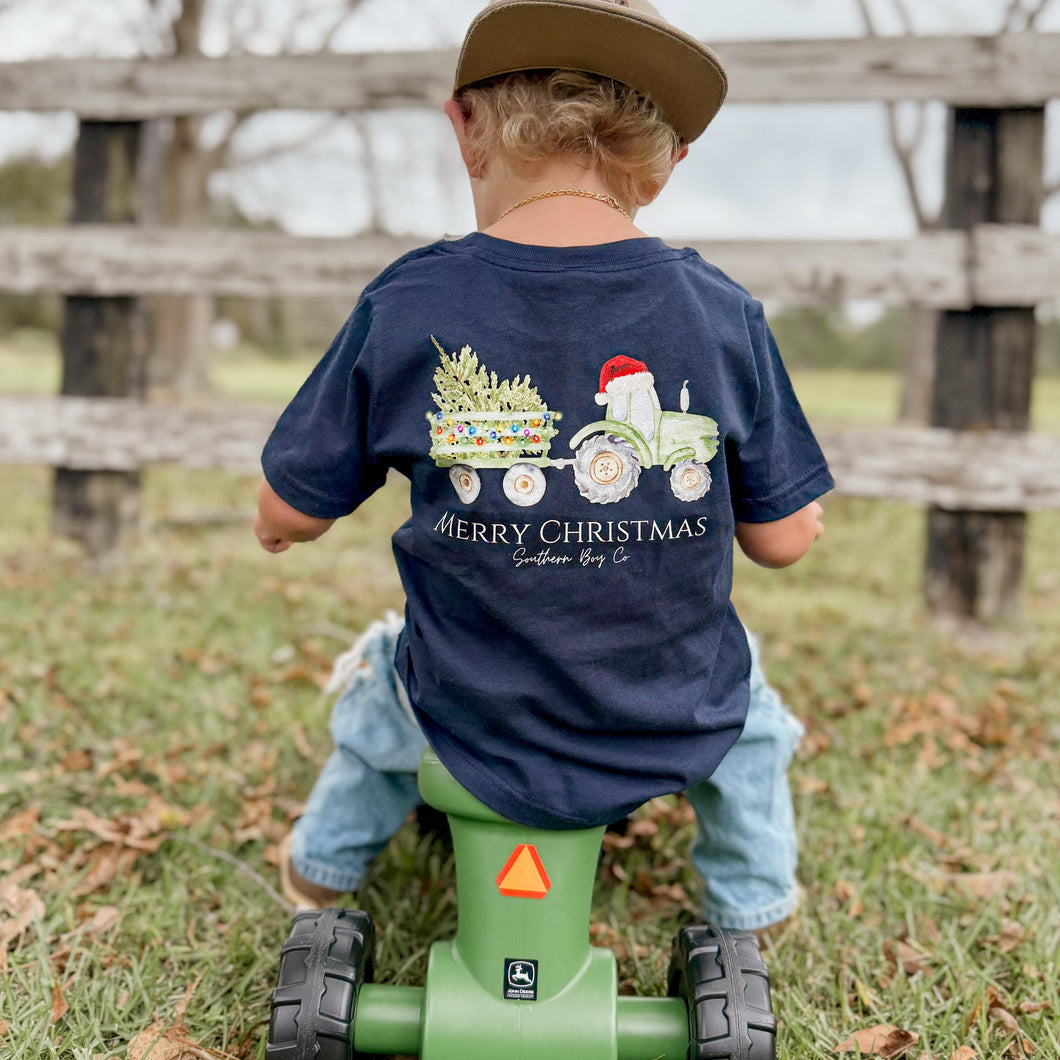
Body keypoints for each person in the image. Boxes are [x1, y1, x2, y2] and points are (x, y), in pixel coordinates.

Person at [255, 0, 832, 937]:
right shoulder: (722, 313)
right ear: (668, 159)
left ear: (465, 125)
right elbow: (782, 540)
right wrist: (803, 520)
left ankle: (321, 869)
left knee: (384, 682)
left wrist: (278, 524)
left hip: (470, 701)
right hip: (669, 707)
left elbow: (292, 504)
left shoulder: (409, 303)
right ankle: (752, 906)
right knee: (751, 718)